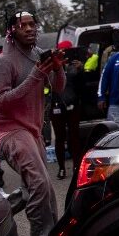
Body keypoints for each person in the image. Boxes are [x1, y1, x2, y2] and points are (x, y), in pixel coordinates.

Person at [0, 8, 65, 236]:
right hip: (11, 132)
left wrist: (58, 68)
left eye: (33, 24)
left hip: (33, 133)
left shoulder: (38, 54)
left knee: (39, 189)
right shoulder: (2, 62)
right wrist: (35, 76)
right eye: (24, 25)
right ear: (11, 30)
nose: (30, 29)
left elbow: (58, 88)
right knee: (39, 185)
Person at [49, 40, 83, 179]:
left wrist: (81, 71)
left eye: (67, 51)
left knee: (74, 137)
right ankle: (62, 168)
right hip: (57, 104)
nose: (65, 54)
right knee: (59, 138)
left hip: (73, 105)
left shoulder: (75, 65)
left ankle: (76, 166)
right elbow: (47, 84)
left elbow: (83, 86)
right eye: (62, 51)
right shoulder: (53, 65)